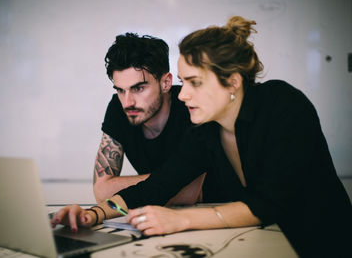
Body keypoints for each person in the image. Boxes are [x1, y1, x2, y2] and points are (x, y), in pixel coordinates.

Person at [52, 17, 352, 257]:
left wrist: (180, 219)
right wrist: (95, 214)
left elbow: (270, 203)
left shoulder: (283, 105)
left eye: (195, 82)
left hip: (324, 243)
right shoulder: (208, 128)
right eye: (184, 82)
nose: (185, 94)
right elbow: (156, 186)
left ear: (232, 81)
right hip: (266, 244)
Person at [93, 32, 205, 205]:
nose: (127, 102)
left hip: (219, 210)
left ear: (166, 83)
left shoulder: (191, 107)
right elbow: (101, 192)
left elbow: (191, 193)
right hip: (157, 216)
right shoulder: (118, 107)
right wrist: (171, 183)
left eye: (139, 88)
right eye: (121, 90)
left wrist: (121, 188)